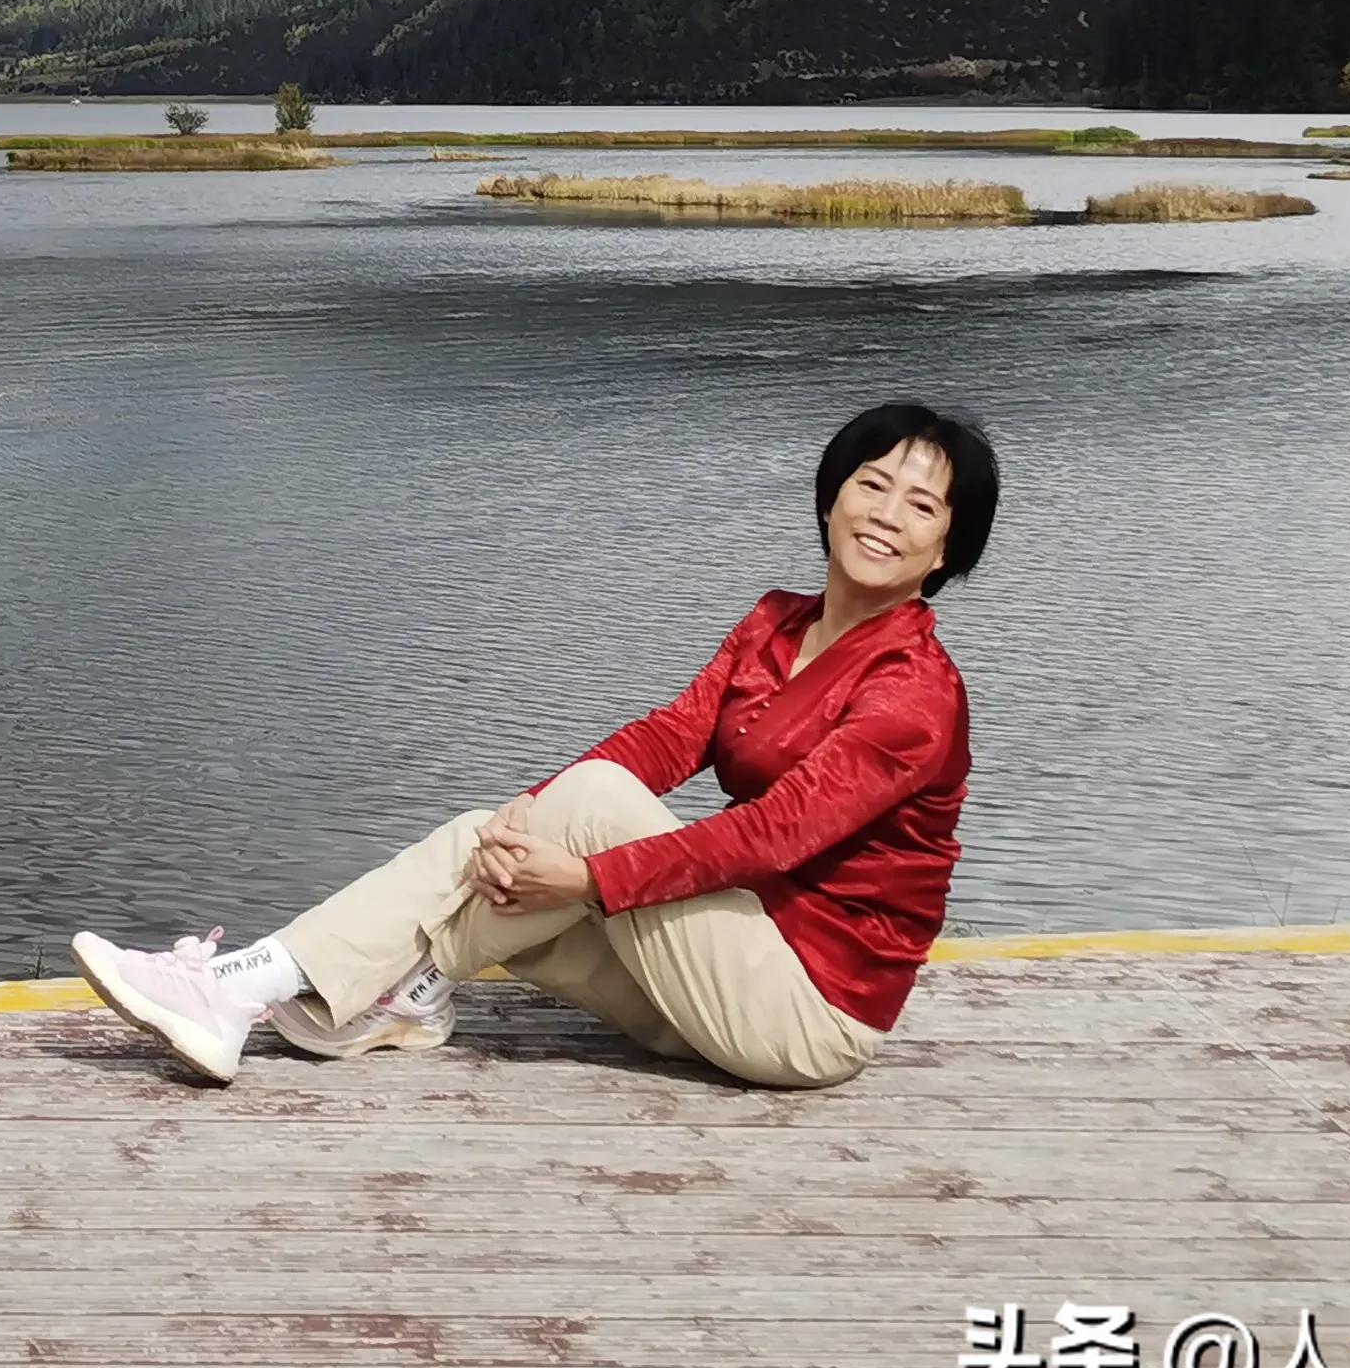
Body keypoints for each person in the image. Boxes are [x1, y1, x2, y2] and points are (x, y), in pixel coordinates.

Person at [71, 399, 992, 1091]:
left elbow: (772, 837)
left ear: (947, 550)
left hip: (803, 1014)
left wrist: (588, 875)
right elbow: (672, 737)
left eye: (920, 507)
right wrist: (530, 810)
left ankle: (251, 983)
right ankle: (387, 993)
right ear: (832, 495)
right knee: (512, 834)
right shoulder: (775, 623)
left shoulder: (914, 693)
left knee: (584, 817)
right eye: (871, 484)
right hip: (705, 974)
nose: (885, 515)